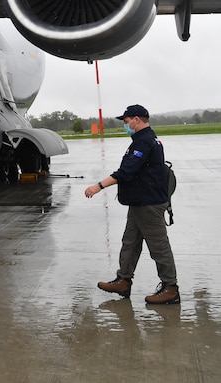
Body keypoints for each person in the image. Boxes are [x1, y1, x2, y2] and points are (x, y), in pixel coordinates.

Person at [85, 104, 179, 304]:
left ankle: (170, 288)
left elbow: (126, 172)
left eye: (127, 122)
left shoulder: (144, 143)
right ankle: (123, 280)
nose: (125, 126)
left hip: (149, 204)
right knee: (130, 242)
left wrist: (99, 186)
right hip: (139, 203)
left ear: (137, 119)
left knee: (158, 246)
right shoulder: (142, 140)